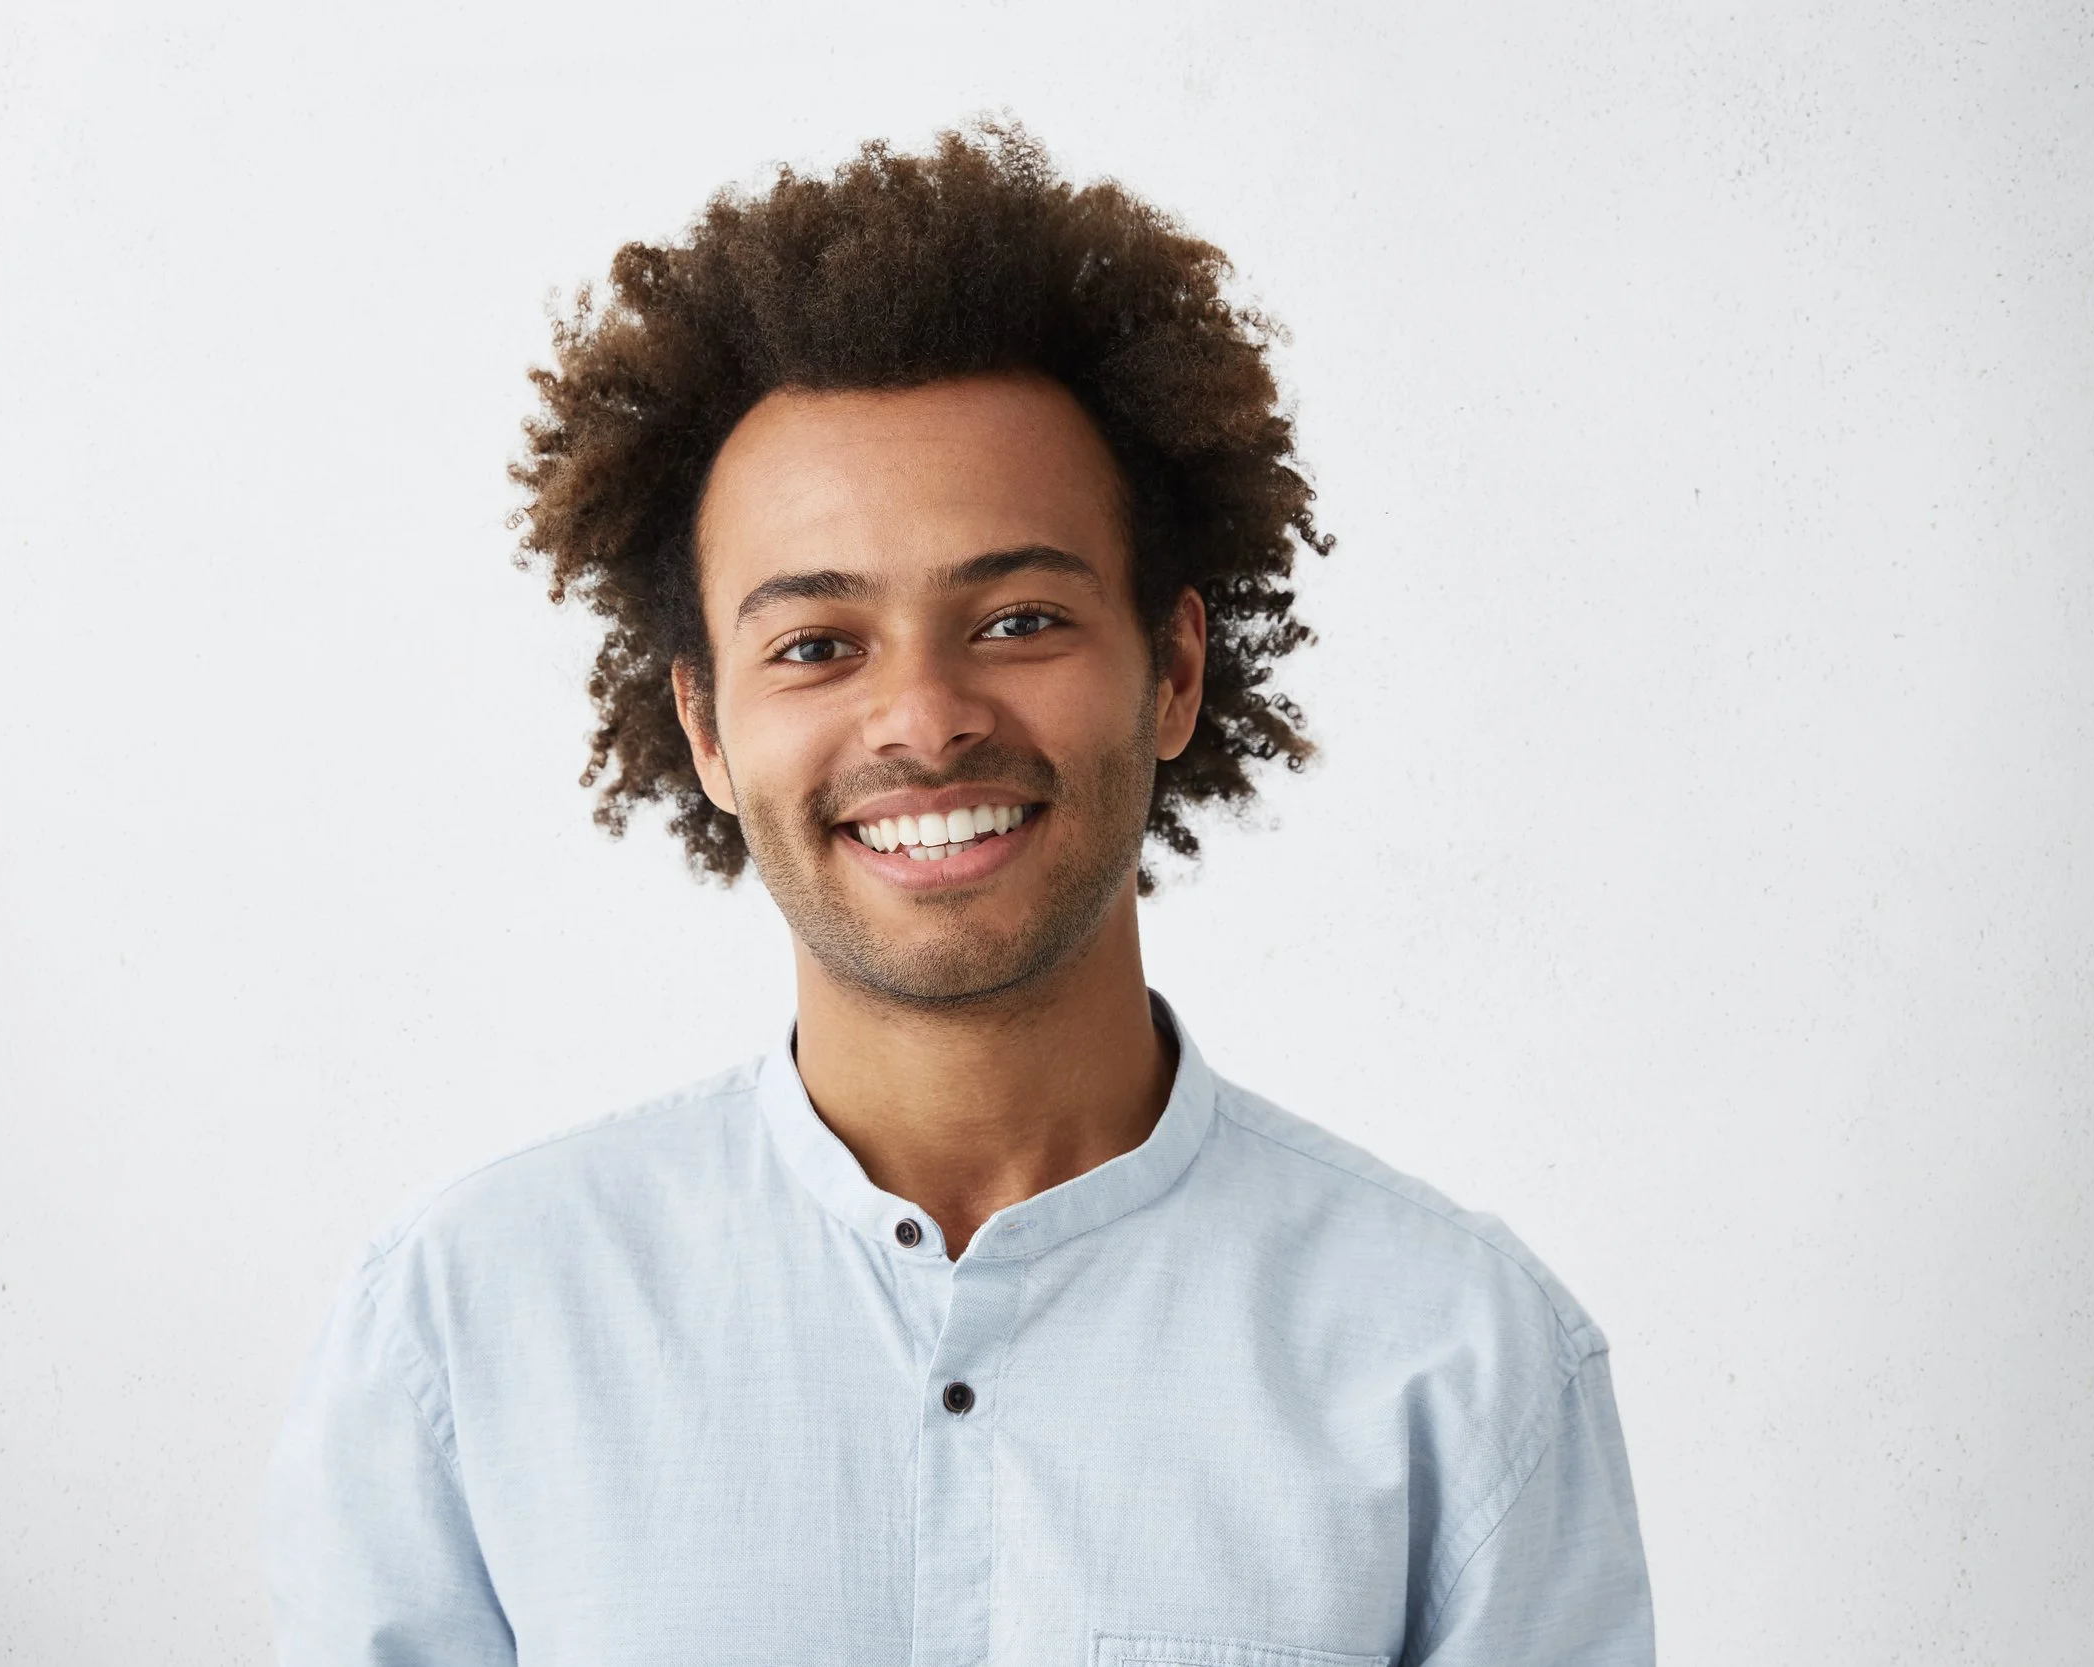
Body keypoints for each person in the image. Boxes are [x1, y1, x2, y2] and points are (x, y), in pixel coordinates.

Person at [262, 123, 1653, 1667]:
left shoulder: (1460, 1361)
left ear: (1175, 669)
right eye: (815, 642)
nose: (924, 718)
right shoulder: (466, 1332)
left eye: (1018, 618)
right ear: (710, 729)